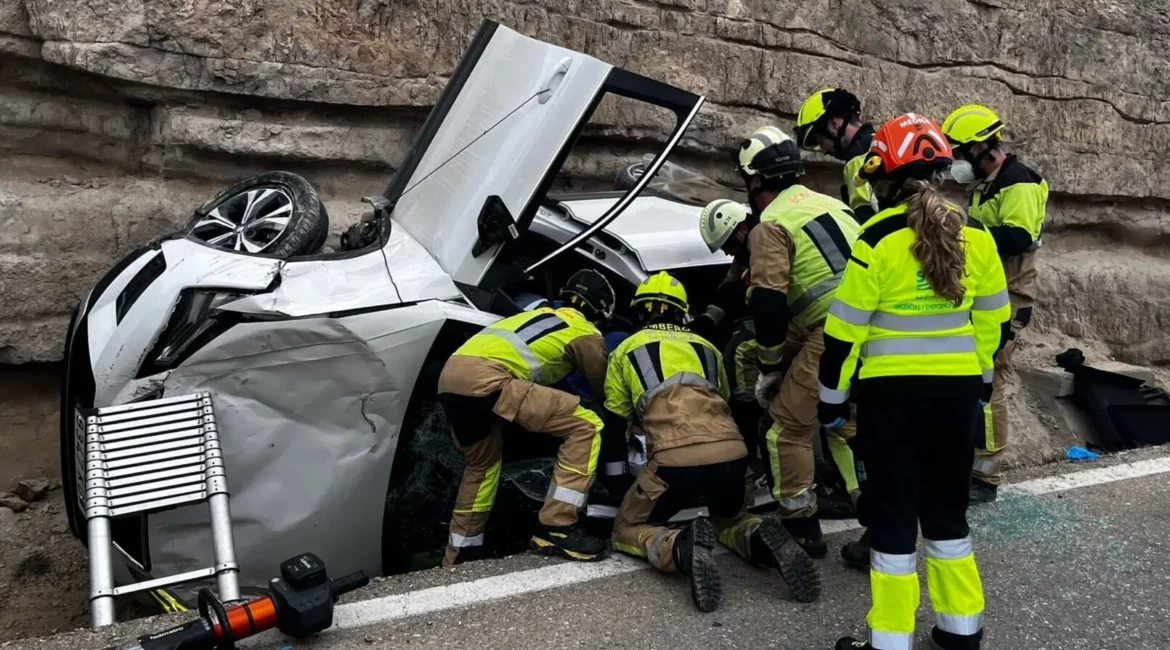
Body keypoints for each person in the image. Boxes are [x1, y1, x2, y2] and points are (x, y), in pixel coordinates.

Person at [818, 112, 1011, 650]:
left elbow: (841, 337)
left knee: (895, 523)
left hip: (890, 402)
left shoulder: (876, 237)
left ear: (886, 177)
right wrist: (981, 385)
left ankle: (891, 642)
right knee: (948, 517)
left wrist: (830, 405)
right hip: (956, 399)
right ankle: (960, 633)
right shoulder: (979, 237)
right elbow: (993, 324)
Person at [604, 271, 820, 612]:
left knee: (627, 527)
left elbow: (616, 421)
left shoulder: (626, 349)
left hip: (674, 462)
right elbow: (724, 400)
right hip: (732, 453)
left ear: (641, 311)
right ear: (682, 312)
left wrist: (616, 478)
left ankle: (678, 546)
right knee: (732, 520)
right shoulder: (708, 348)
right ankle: (761, 538)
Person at [706, 125, 864, 561]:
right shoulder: (833, 204)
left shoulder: (771, 224)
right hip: (874, 326)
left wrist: (772, 366)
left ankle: (802, 528)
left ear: (755, 180)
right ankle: (868, 505)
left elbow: (770, 304)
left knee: (784, 430)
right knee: (845, 423)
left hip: (832, 330)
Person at [436, 270, 616, 566]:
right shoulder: (584, 331)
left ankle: (460, 555)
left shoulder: (534, 317)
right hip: (489, 382)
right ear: (602, 312)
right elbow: (603, 386)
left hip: (451, 380)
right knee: (587, 424)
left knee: (483, 465)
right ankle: (557, 527)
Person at [941, 104, 1050, 504]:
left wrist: (966, 233)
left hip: (1009, 298)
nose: (957, 161)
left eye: (960, 152)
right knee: (974, 379)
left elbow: (1018, 236)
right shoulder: (991, 183)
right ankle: (968, 462)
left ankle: (985, 476)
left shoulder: (1017, 183)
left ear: (981, 148)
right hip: (987, 295)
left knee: (991, 382)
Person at [794, 88, 880, 224]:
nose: (823, 151)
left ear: (834, 125)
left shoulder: (857, 159)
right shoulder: (880, 142)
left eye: (821, 141)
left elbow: (868, 222)